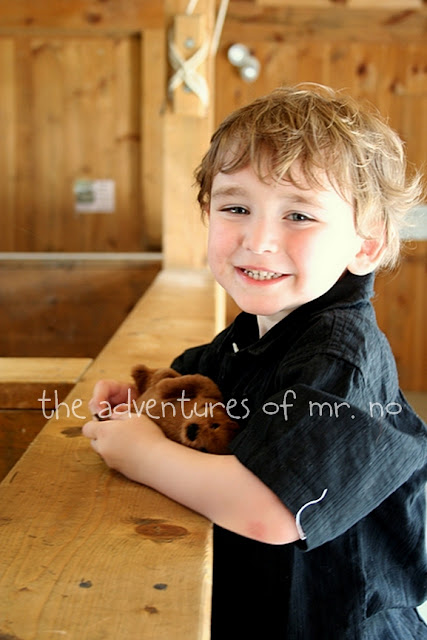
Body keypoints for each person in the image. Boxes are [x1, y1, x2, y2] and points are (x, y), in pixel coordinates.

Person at [83, 84, 427, 639]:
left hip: (334, 623)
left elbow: (272, 511)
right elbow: (192, 386)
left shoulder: (340, 354)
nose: (259, 239)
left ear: (365, 245)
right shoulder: (254, 330)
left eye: (300, 215)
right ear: (208, 213)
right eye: (236, 208)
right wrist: (141, 403)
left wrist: (140, 454)